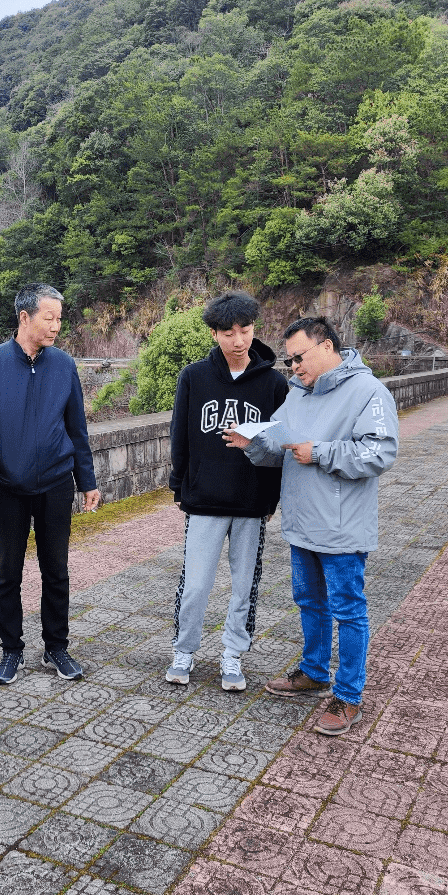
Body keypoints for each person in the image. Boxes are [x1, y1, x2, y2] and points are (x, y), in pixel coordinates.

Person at [228, 317, 398, 735]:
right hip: (301, 523)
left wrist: (320, 451)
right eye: (289, 360)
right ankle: (314, 671)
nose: (294, 367)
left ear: (326, 346)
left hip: (341, 526)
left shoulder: (368, 391)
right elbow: (281, 448)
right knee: (309, 601)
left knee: (348, 610)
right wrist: (253, 444)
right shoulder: (298, 393)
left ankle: (349, 695)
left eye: (299, 358)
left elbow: (380, 452)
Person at [0, 284, 100, 686]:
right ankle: (11, 650)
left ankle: (56, 647)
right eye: (50, 318)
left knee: (56, 570)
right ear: (25, 317)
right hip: (7, 485)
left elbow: (77, 427)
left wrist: (87, 481)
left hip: (56, 484)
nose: (57, 326)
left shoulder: (63, 365)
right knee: (7, 573)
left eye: (60, 318)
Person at [166, 291, 289, 691]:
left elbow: (280, 445)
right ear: (215, 334)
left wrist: (271, 499)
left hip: (251, 501)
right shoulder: (194, 377)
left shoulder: (274, 383)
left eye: (245, 330)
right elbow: (180, 435)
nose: (239, 340)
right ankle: (184, 650)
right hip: (204, 499)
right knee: (195, 584)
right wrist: (180, 486)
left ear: (254, 329)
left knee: (243, 585)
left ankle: (233, 653)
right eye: (229, 333)